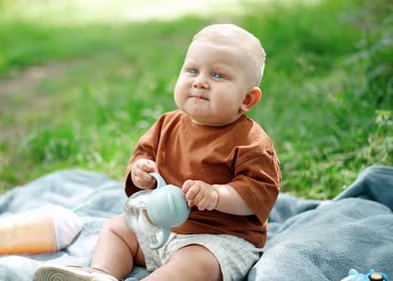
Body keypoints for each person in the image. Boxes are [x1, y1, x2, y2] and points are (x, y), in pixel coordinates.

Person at [34, 23, 281, 281]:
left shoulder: (251, 141)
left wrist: (216, 195)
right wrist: (141, 173)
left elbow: (259, 193)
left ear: (247, 99)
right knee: (117, 229)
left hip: (217, 238)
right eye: (192, 70)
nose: (200, 82)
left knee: (193, 265)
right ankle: (101, 273)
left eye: (217, 76)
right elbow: (142, 159)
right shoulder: (167, 125)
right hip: (162, 227)